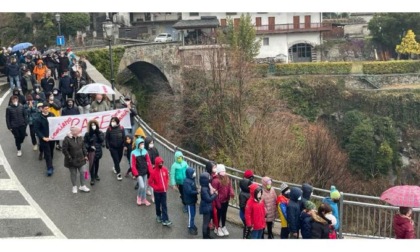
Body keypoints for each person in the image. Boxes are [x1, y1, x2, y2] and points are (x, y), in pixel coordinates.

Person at [62, 126, 90, 194]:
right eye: (78, 131)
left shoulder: (80, 137)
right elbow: (64, 150)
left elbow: (83, 147)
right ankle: (74, 186)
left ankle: (82, 185)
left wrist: (85, 155)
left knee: (84, 172)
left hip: (81, 159)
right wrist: (69, 158)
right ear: (74, 132)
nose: (79, 132)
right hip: (71, 161)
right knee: (73, 174)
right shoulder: (66, 139)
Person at [211, 164, 235, 237]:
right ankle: (217, 227)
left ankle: (223, 226)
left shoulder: (227, 178)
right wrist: (217, 200)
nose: (223, 173)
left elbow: (230, 186)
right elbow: (214, 192)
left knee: (224, 214)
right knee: (218, 214)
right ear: (218, 172)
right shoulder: (215, 181)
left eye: (224, 171)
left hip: (226, 200)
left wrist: (231, 193)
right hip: (219, 201)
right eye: (221, 172)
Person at [148, 156, 172, 226]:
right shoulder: (153, 172)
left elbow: (167, 178)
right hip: (157, 192)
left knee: (164, 205)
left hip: (164, 191)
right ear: (156, 164)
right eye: (159, 163)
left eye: (161, 163)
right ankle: (158, 215)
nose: (161, 164)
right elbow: (150, 182)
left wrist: (166, 185)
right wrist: (156, 187)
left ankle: (165, 219)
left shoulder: (165, 170)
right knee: (158, 204)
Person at [34, 104, 56, 176]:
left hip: (52, 137)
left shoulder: (52, 115)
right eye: (46, 109)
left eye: (48, 108)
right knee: (47, 153)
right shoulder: (38, 118)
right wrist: (43, 137)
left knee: (51, 151)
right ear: (42, 109)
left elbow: (56, 124)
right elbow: (37, 130)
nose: (47, 110)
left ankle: (51, 163)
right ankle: (49, 168)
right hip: (44, 138)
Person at [131, 137, 153, 206]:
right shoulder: (133, 153)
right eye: (141, 144)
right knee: (142, 186)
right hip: (138, 172)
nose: (142, 145)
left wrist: (151, 172)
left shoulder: (145, 152)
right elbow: (132, 165)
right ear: (137, 144)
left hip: (145, 171)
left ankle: (144, 199)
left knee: (145, 186)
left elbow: (149, 162)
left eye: (143, 144)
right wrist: (136, 174)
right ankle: (139, 197)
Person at [84, 120, 104, 186]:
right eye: (92, 125)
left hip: (98, 151)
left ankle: (96, 174)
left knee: (97, 163)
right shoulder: (87, 134)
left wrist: (97, 133)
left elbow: (102, 140)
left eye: (94, 125)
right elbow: (85, 143)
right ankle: (92, 178)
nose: (93, 126)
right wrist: (89, 147)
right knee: (92, 164)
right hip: (91, 152)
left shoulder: (100, 132)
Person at [199, 172, 218, 239]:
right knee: (206, 223)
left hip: (207, 207)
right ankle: (205, 236)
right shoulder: (204, 189)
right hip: (206, 207)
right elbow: (208, 199)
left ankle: (207, 235)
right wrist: (215, 195)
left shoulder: (205, 187)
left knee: (207, 222)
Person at [183, 167, 199, 235]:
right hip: (189, 201)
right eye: (193, 173)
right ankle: (190, 227)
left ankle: (192, 224)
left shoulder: (191, 180)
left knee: (193, 214)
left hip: (193, 200)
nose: (194, 174)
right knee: (191, 215)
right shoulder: (187, 182)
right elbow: (189, 191)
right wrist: (197, 192)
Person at [239, 174, 253, 238]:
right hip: (244, 214)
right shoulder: (242, 195)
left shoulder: (248, 193)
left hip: (247, 214)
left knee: (248, 226)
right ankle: (245, 237)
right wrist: (248, 211)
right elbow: (242, 206)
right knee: (247, 226)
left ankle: (247, 236)